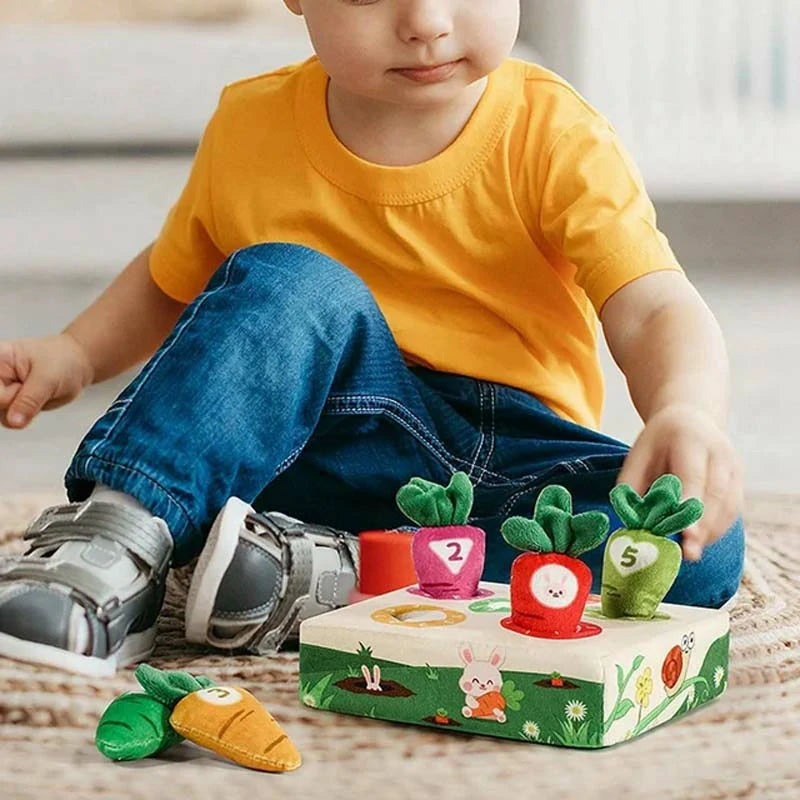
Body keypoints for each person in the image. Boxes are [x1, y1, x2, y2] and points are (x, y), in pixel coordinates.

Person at [0, 0, 744, 675]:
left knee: (695, 549)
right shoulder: (252, 124)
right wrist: (76, 351)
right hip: (305, 444)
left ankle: (336, 574)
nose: (425, 20)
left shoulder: (555, 130)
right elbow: (172, 280)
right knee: (288, 280)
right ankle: (116, 542)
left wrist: (686, 410)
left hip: (500, 461)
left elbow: (649, 304)